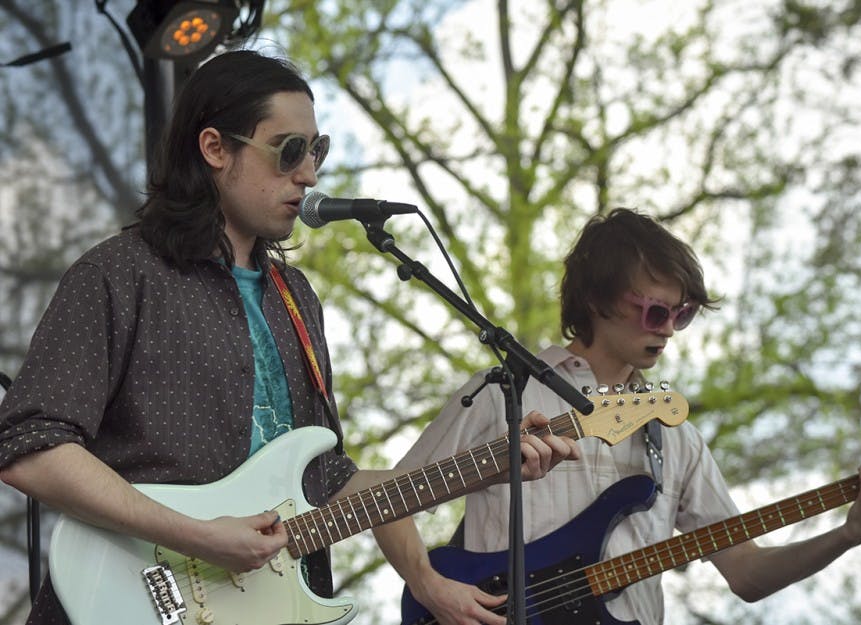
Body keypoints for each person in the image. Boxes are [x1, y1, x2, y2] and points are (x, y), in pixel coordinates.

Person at [0, 49, 577, 624]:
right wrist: (197, 535)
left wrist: (487, 470)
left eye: (316, 150)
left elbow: (327, 483)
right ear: (215, 148)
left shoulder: (294, 299)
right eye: (289, 150)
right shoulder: (121, 272)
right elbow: (31, 450)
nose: (309, 173)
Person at [395, 208, 861, 625]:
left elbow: (747, 574)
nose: (668, 330)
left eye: (680, 315)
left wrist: (849, 534)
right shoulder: (504, 393)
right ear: (595, 299)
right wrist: (428, 585)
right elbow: (385, 499)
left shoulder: (674, 436)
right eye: (655, 312)